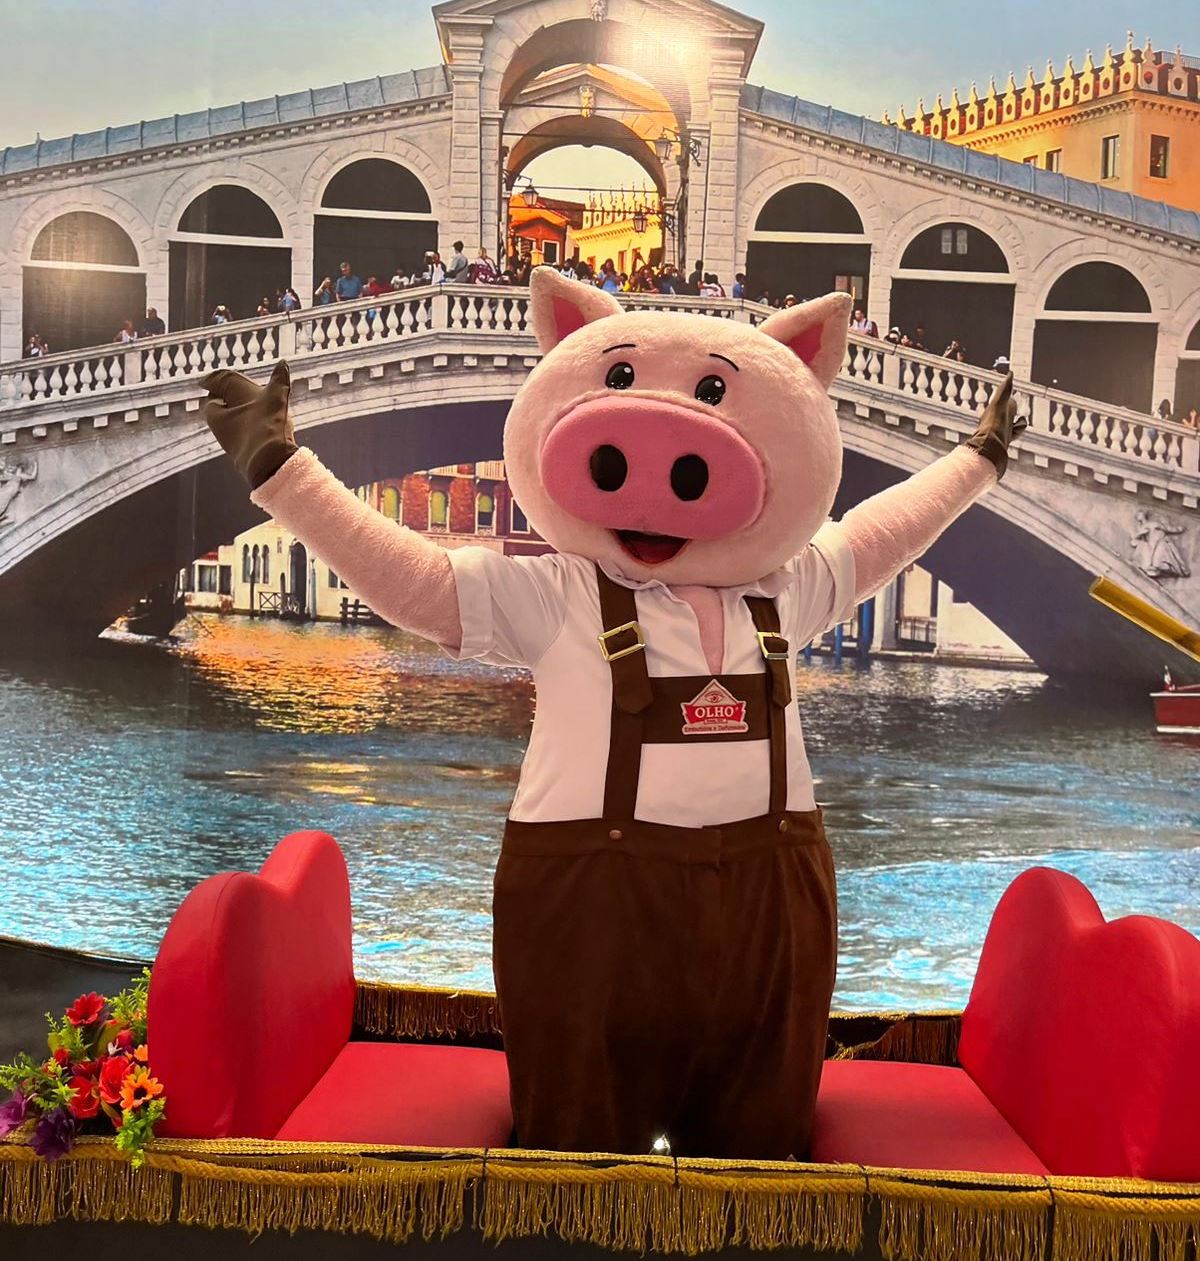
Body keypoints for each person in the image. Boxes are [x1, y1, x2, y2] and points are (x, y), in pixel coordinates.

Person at [203, 273, 1026, 1162]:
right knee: (577, 1151)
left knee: (758, 1153)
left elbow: (885, 530)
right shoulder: (557, 594)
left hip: (771, 915)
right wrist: (284, 473)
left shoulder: (787, 590)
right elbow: (416, 580)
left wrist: (977, 460)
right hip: (587, 916)